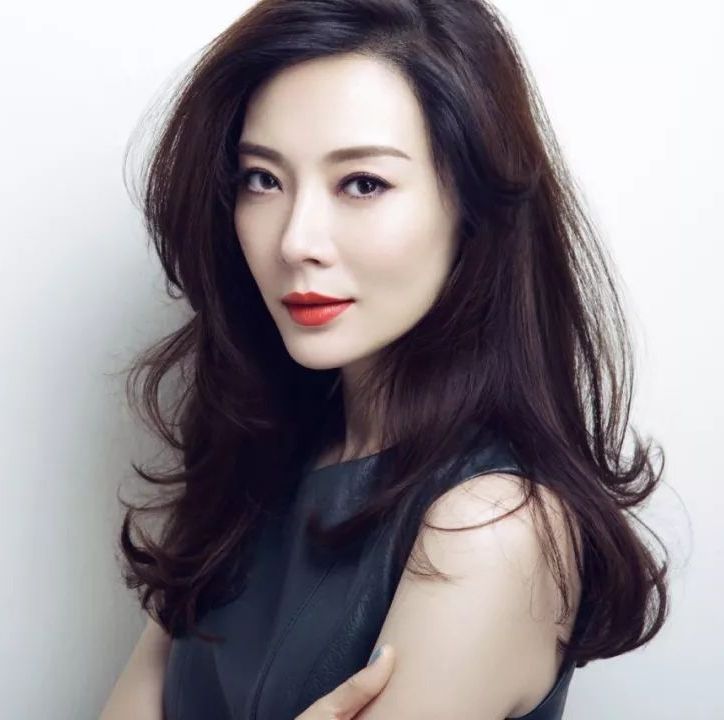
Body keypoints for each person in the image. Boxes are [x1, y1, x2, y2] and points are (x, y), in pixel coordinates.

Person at [100, 1, 671, 718]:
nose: (296, 240)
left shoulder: (488, 528)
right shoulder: (258, 460)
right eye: (262, 179)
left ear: (471, 208)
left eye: (362, 183)